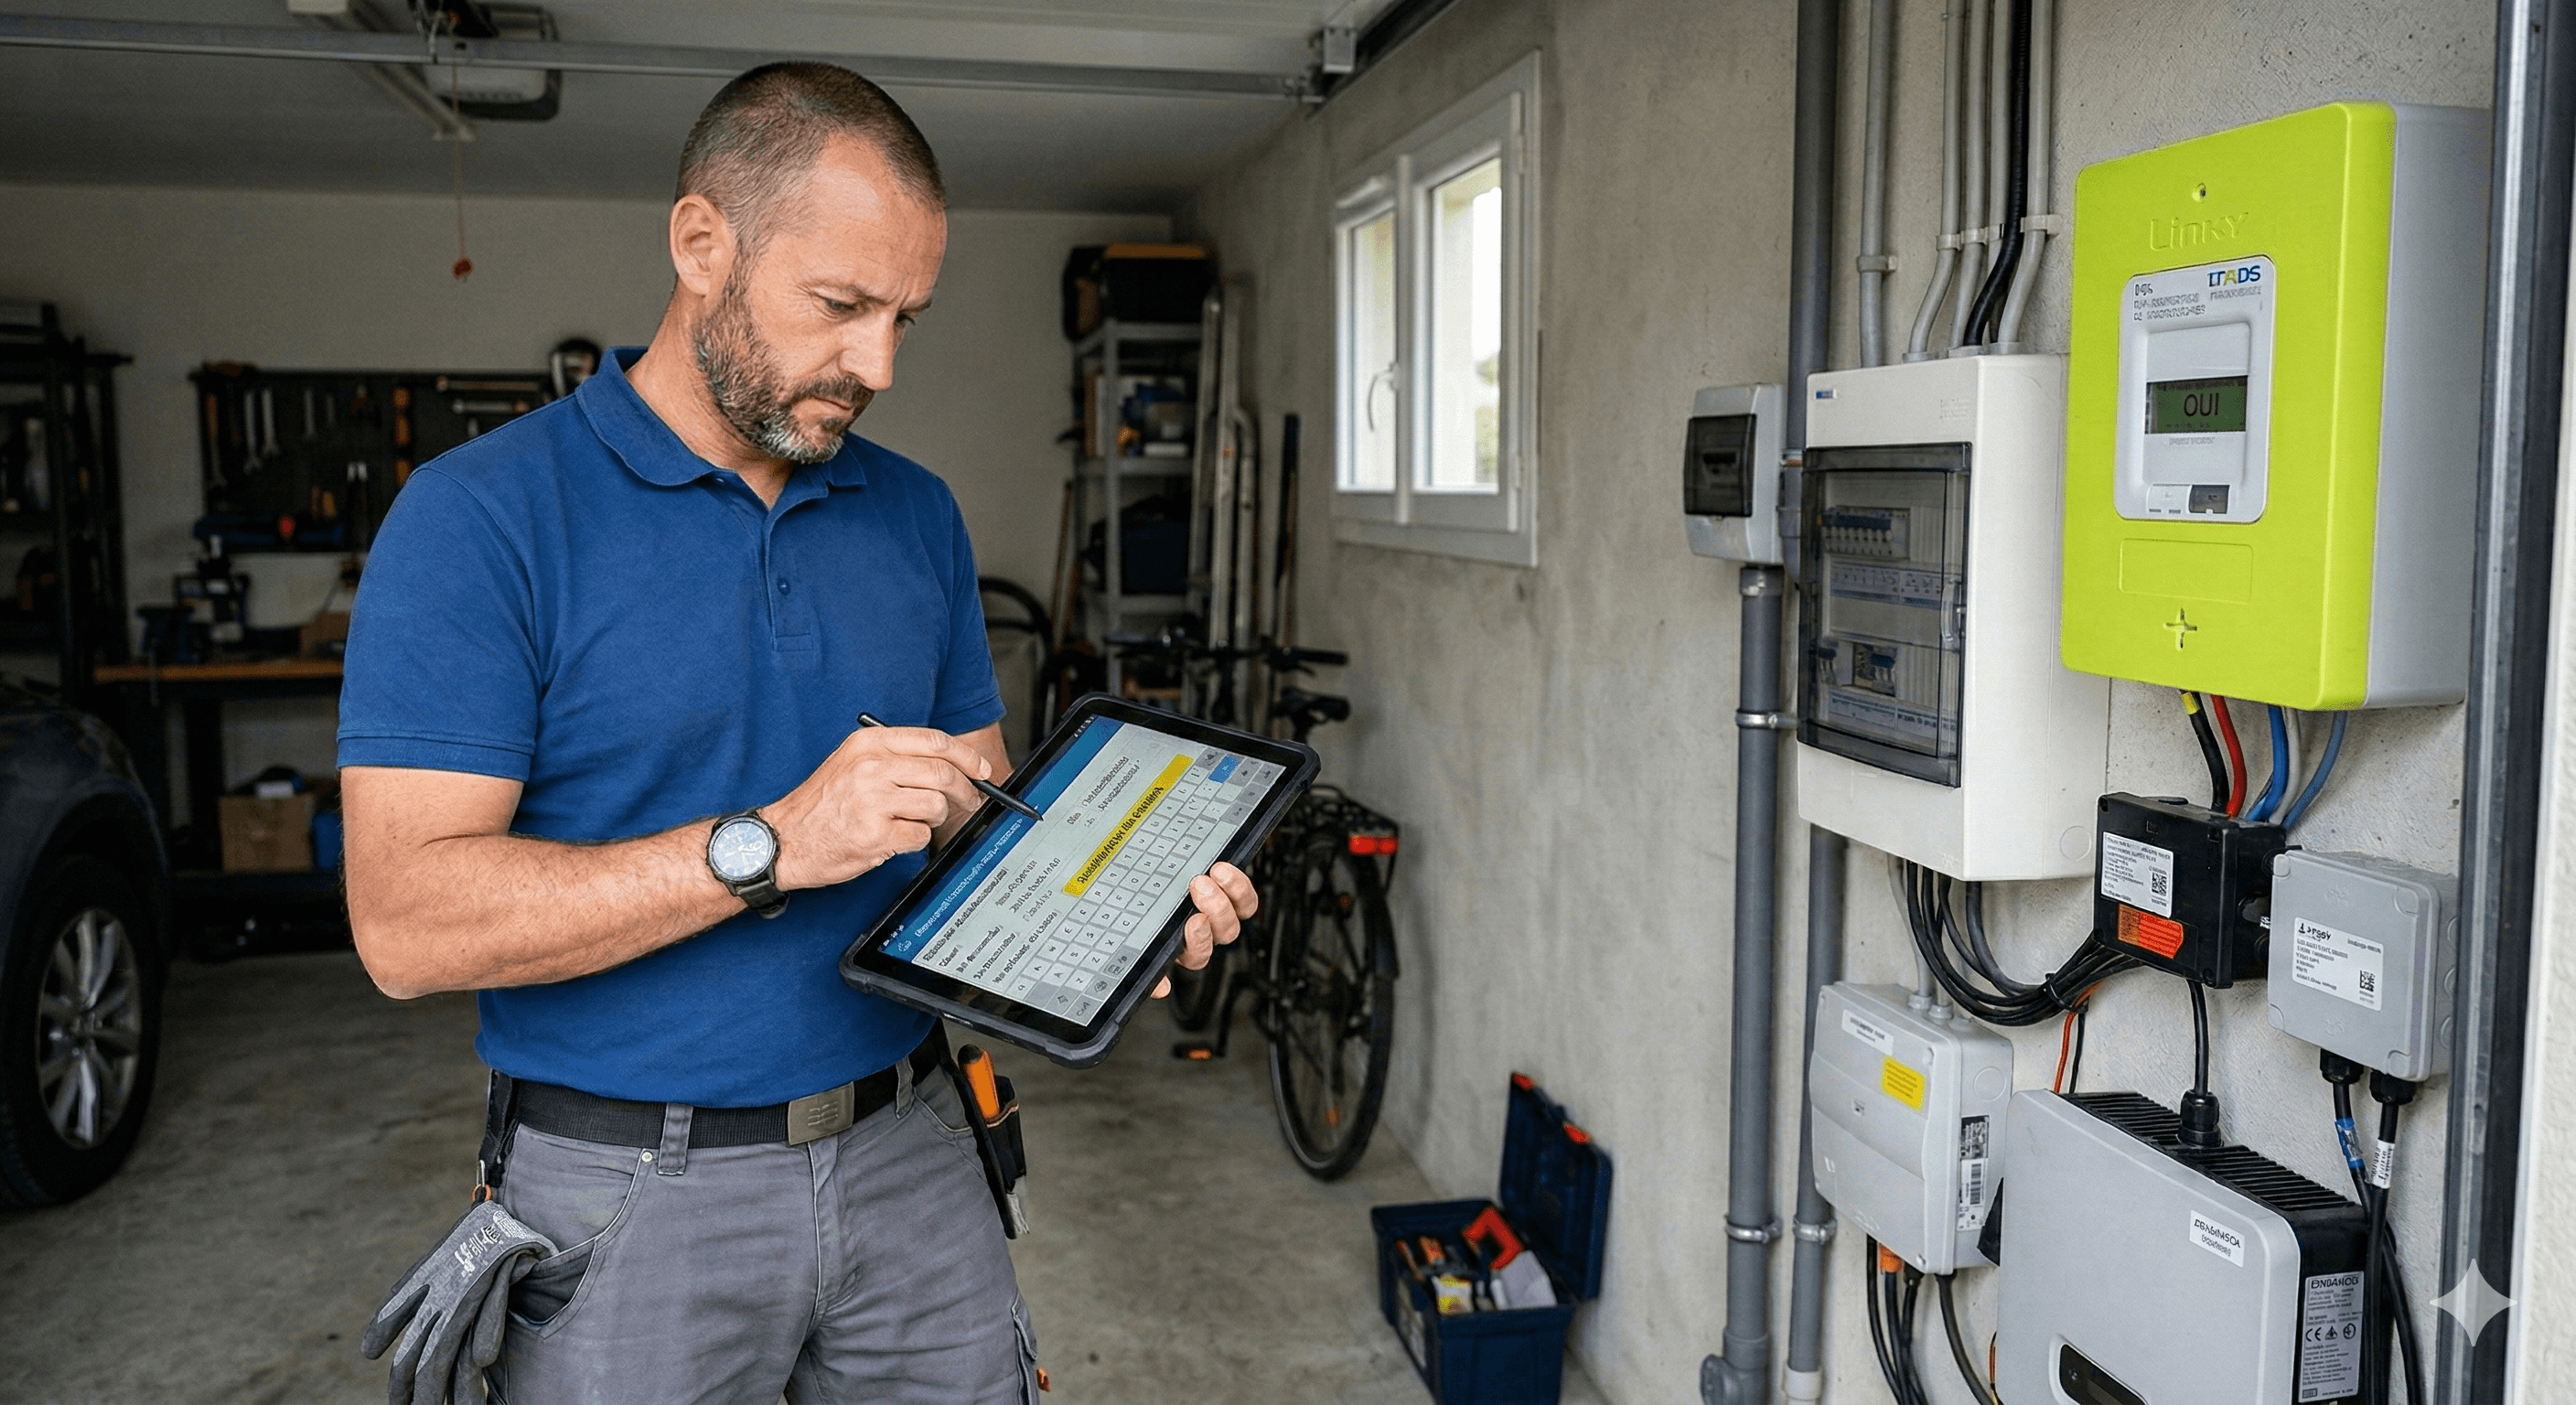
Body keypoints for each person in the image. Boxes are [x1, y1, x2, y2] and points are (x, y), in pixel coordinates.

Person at [338, 62, 1254, 1402]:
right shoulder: (479, 518)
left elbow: (982, 831)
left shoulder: (916, 514)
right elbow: (406, 925)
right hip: (623, 1195)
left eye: (906, 318)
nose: (877, 365)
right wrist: (769, 845)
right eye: (840, 306)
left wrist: (1105, 921)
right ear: (702, 243)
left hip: (914, 1150)